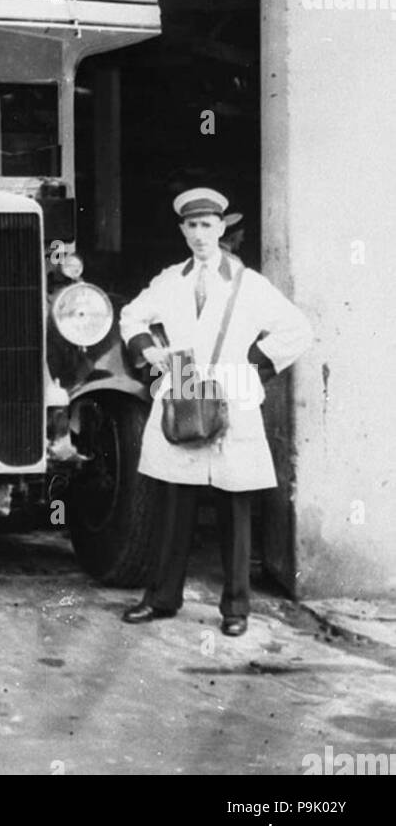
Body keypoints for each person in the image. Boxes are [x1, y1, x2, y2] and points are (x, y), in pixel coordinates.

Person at [118, 187, 312, 636]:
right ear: (182, 230)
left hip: (233, 386)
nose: (200, 234)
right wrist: (153, 352)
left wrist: (253, 364)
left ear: (223, 228)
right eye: (192, 226)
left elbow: (298, 329)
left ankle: (236, 609)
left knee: (235, 502)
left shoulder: (248, 283)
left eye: (208, 225)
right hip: (185, 378)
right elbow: (131, 316)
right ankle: (162, 598)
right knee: (175, 500)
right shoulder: (171, 280)